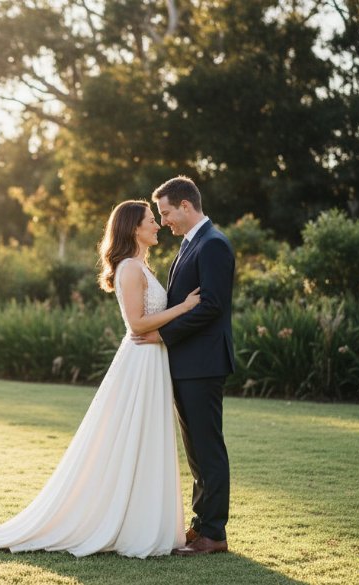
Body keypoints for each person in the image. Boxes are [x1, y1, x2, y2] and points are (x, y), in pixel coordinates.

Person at [0, 200, 201, 558]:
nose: (157, 225)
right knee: (132, 436)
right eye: (151, 220)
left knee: (145, 437)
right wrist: (184, 307)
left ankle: (143, 519)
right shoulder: (130, 268)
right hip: (140, 361)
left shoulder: (141, 266)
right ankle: (125, 522)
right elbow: (136, 324)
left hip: (152, 359)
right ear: (134, 228)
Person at [134, 176, 235, 556]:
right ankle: (202, 524)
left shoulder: (213, 244)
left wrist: (163, 334)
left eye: (166, 213)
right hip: (188, 364)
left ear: (186, 206)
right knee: (196, 452)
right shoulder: (192, 243)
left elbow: (212, 306)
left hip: (203, 364)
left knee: (208, 449)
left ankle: (214, 533)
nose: (163, 222)